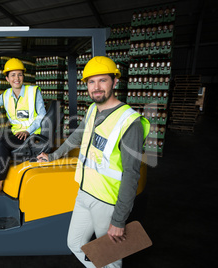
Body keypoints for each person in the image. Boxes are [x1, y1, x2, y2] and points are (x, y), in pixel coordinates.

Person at [37, 56, 150, 267]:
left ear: (115, 82)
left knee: (112, 259)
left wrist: (118, 220)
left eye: (102, 80)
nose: (96, 87)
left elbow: (131, 174)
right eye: (91, 82)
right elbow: (76, 137)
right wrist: (53, 155)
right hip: (84, 192)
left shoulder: (129, 122)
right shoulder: (92, 110)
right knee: (75, 242)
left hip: (107, 202)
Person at [0, 58, 46, 195]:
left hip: (32, 135)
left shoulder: (33, 92)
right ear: (7, 78)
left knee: (3, 143)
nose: (17, 78)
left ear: (23, 76)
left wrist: (28, 130)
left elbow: (42, 116)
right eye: (13, 75)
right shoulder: (6, 95)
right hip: (17, 134)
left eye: (19, 74)